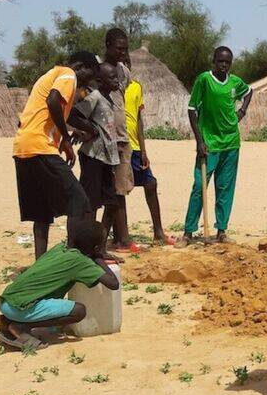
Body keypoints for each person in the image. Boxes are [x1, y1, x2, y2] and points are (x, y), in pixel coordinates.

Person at [14, 51, 100, 259]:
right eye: (89, 76)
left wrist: (84, 129)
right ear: (80, 66)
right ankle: (75, 257)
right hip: (41, 147)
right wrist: (67, 140)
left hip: (22, 147)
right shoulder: (68, 75)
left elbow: (60, 114)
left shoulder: (50, 76)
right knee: (79, 202)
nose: (86, 83)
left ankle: (39, 266)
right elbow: (53, 102)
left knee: (41, 214)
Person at [0, 219, 120, 349]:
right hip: (20, 308)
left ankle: (7, 321)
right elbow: (113, 283)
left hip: (6, 302)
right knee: (79, 311)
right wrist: (98, 258)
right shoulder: (80, 262)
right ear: (96, 247)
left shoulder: (60, 248)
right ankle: (21, 327)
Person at [106, 28, 173, 248]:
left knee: (150, 183)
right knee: (119, 190)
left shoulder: (135, 87)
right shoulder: (107, 82)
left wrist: (144, 150)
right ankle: (121, 237)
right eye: (121, 55)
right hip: (118, 143)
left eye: (127, 58)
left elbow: (139, 119)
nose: (125, 62)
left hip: (134, 145)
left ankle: (158, 232)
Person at [185, 46, 251, 244]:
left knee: (225, 188)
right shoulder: (204, 80)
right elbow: (192, 110)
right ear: (213, 61)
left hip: (231, 143)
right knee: (199, 186)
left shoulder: (235, 82)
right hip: (209, 144)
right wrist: (200, 141)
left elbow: (249, 91)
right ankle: (188, 232)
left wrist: (242, 111)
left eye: (227, 62)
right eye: (220, 61)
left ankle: (221, 230)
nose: (223, 65)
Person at [71, 62, 130, 250]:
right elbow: (73, 115)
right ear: (100, 81)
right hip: (93, 157)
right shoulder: (95, 97)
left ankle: (100, 246)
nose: (116, 80)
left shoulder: (109, 99)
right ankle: (88, 248)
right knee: (91, 205)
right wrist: (90, 129)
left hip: (107, 158)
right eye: (112, 77)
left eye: (116, 77)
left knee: (111, 202)